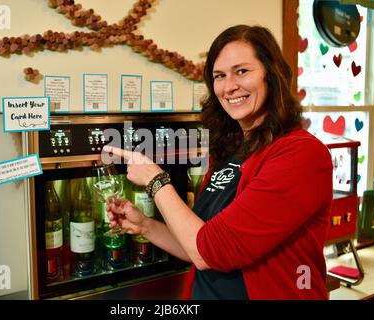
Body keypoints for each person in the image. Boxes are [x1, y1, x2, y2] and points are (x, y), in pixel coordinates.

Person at [103, 25, 333, 299]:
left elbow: (212, 252)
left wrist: (155, 180)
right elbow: (196, 243)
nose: (229, 86)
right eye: (219, 76)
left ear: (272, 76)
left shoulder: (302, 155)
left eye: (242, 71)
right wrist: (145, 226)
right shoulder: (232, 152)